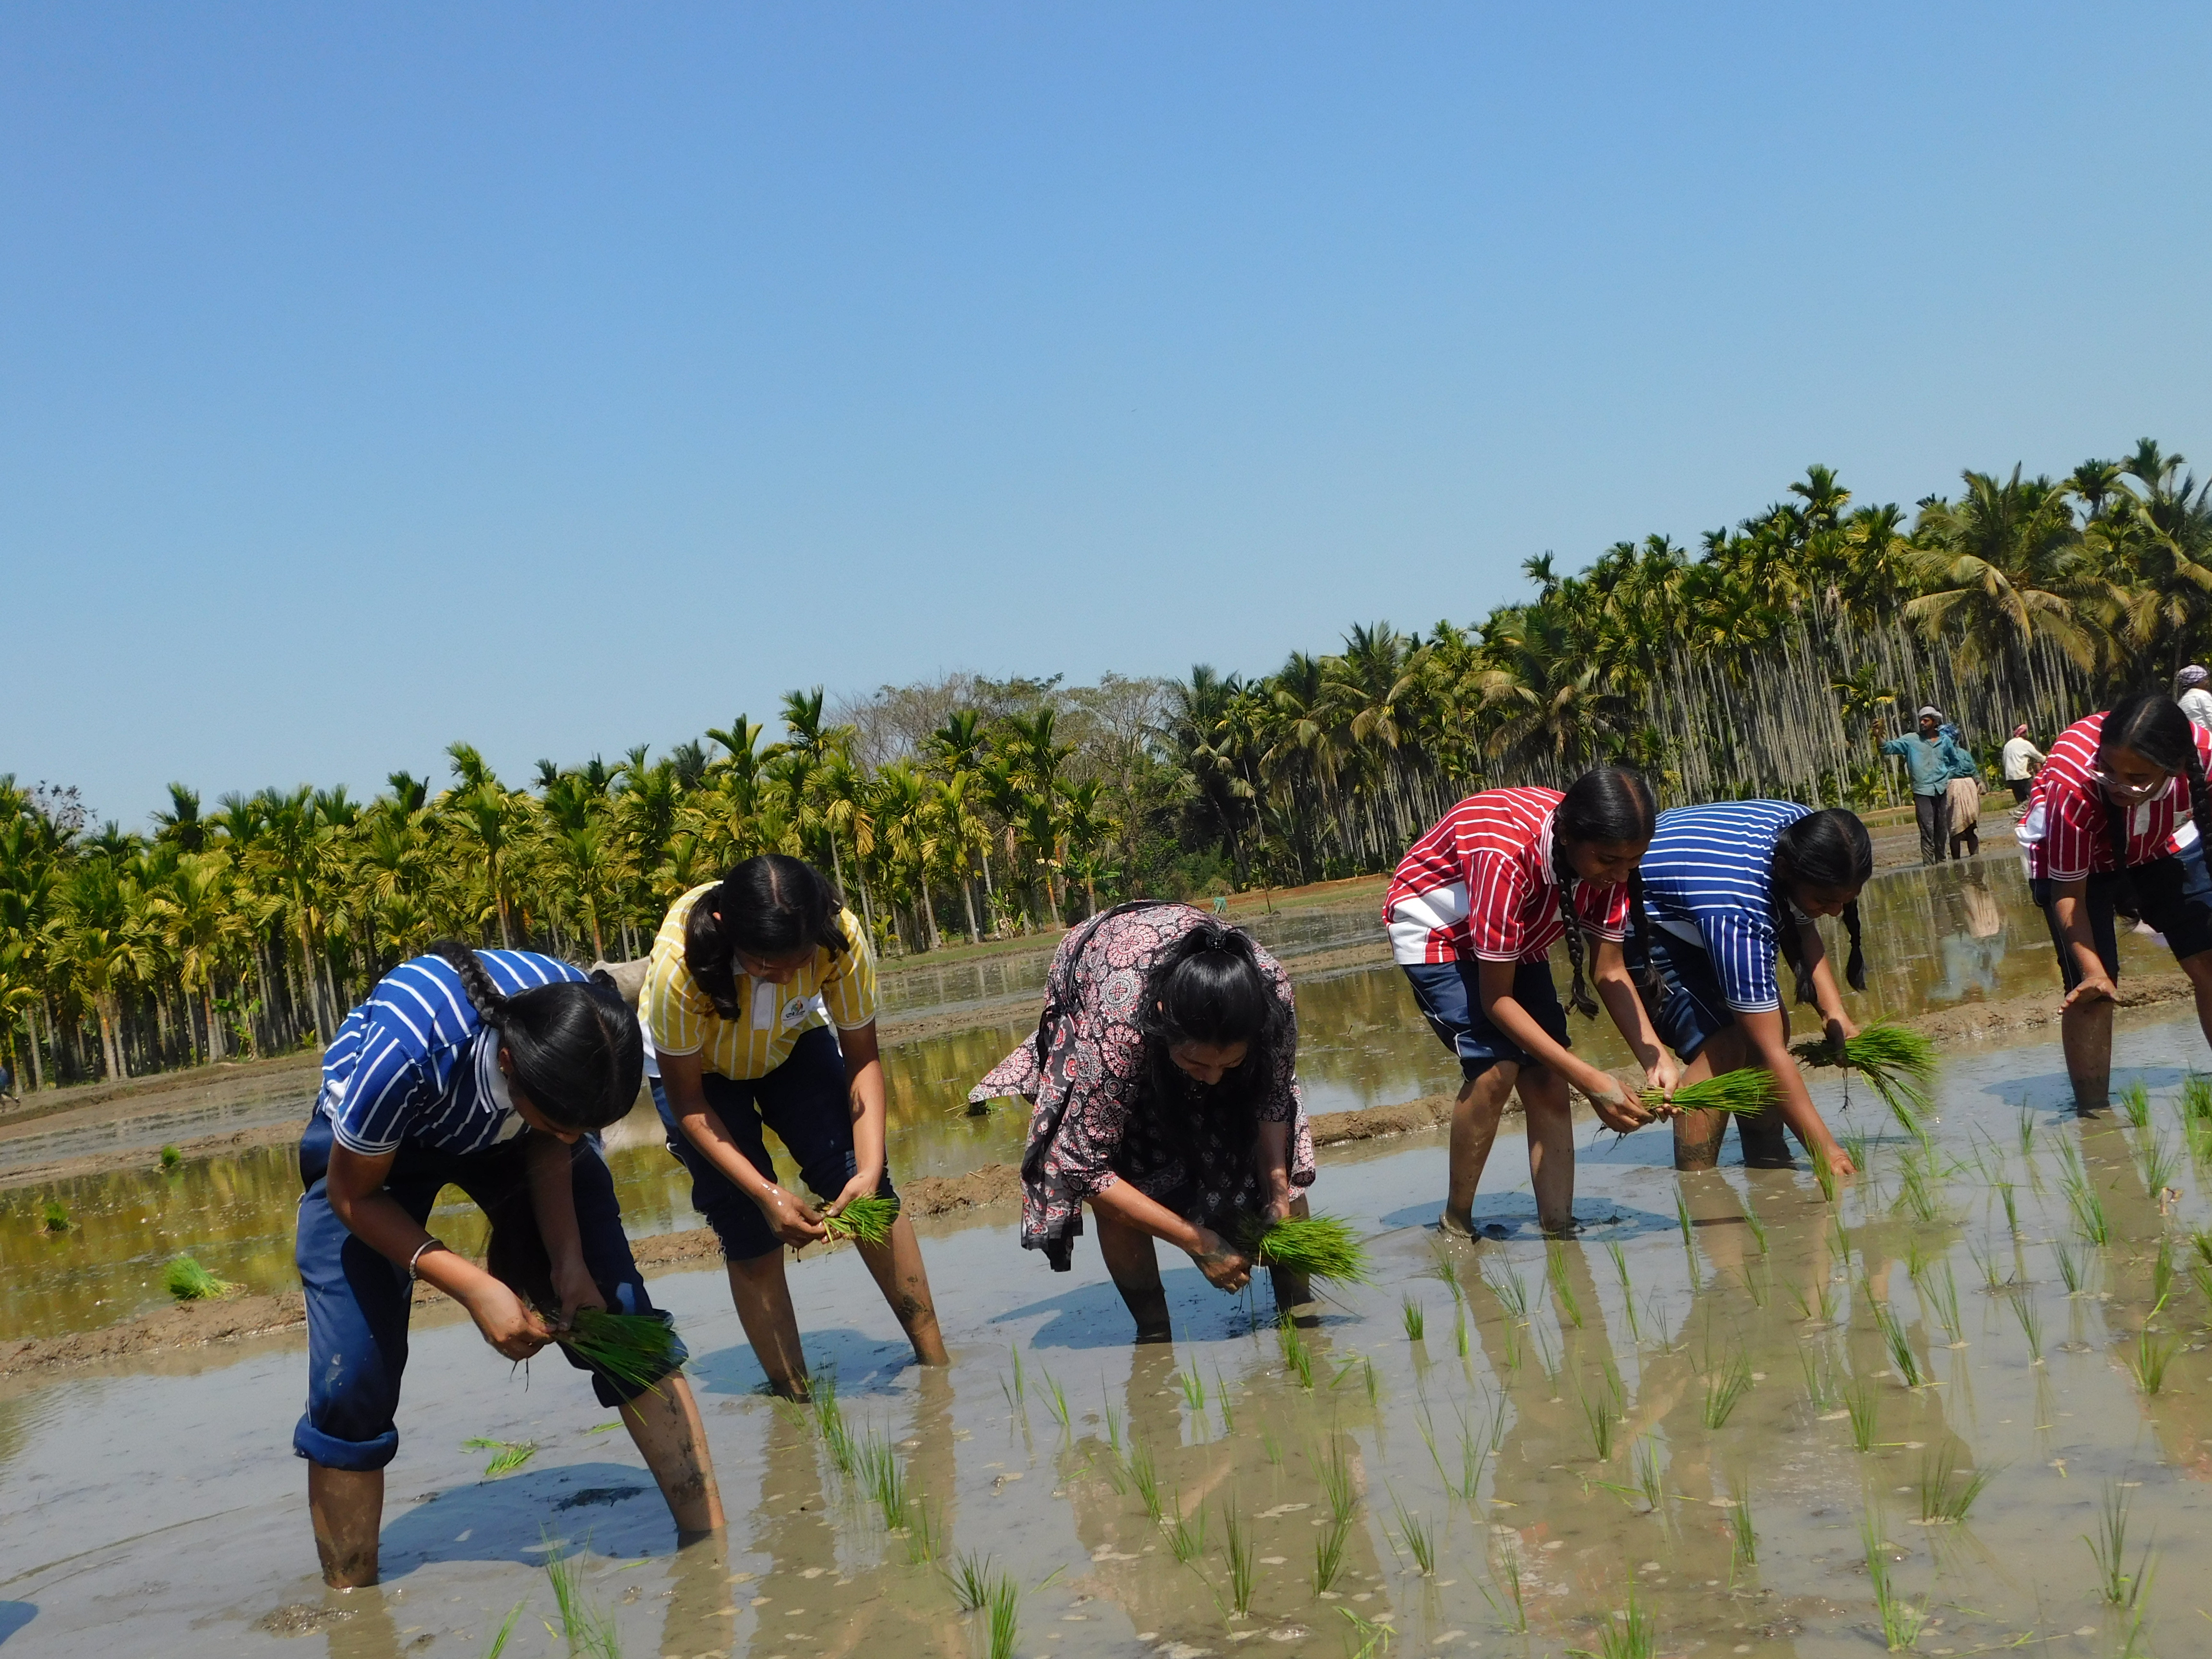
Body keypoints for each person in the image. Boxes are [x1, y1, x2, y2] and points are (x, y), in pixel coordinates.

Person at [293, 942, 722, 1588]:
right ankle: (353, 1608)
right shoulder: (408, 1049)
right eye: (567, 1120)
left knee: (621, 1314)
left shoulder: (582, 1027)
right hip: (375, 1157)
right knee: (352, 1375)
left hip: (525, 1128)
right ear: (507, 1062)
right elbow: (354, 1196)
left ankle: (710, 1555)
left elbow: (556, 1143)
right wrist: (475, 1288)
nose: (582, 1137)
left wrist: (570, 1264)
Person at [644, 854, 948, 1398]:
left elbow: (862, 1061)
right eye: (764, 964)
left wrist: (871, 1170)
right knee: (748, 1227)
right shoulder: (680, 965)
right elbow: (689, 1103)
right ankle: (795, 1396)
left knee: (867, 1190)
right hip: (702, 1075)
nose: (784, 976)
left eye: (797, 961)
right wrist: (765, 1193)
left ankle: (935, 1362)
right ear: (725, 929)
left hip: (791, 1042)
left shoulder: (839, 932)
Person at [969, 903, 1315, 1341]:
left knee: (1276, 1177)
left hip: (1164, 972)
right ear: (1161, 1016)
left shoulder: (1272, 997)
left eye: (1229, 1064)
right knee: (1122, 1170)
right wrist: (1198, 1241)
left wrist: (1278, 1194)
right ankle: (1154, 1334)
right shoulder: (1119, 1026)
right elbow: (1086, 1169)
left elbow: (1271, 1100)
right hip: (1100, 978)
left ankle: (1302, 1316)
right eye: (1196, 1062)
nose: (1211, 1079)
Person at [1384, 766, 1679, 1237]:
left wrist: (1655, 1056)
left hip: (1518, 929)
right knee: (1496, 1068)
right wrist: (1592, 1082)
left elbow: (1610, 970)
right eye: (1609, 861)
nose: (1622, 875)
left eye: (1632, 863)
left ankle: (1560, 1229)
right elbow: (1497, 999)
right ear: (1566, 837)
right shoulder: (1504, 853)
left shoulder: (1606, 863)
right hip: (1440, 928)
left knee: (1545, 1076)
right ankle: (1457, 1221)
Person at [1630, 802, 1870, 1178]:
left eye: (1846, 900)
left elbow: (1802, 923)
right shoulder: (1739, 905)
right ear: (1786, 872)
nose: (1837, 912)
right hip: (1641, 914)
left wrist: (1833, 1012)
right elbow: (1768, 1050)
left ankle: (1768, 1160)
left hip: (1695, 889)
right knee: (1727, 1044)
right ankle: (1699, 1182)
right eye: (1826, 901)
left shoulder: (1811, 836)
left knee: (1771, 1029)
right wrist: (1828, 1151)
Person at [2020, 694, 2212, 1112]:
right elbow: (2069, 895)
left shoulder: (2204, 756)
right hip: (2075, 863)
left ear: (2175, 768)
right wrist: (2094, 974)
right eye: (2108, 770)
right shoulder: (2075, 783)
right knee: (2092, 993)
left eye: (2137, 777)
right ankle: (2094, 1115)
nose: (2120, 785)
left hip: (2161, 843)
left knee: (2208, 958)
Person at [1880, 706, 1974, 865]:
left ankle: (1941, 862)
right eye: (1921, 720)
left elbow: (1954, 761)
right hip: (1923, 791)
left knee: (1941, 828)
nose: (1922, 723)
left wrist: (1946, 775)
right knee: (1927, 829)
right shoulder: (1911, 740)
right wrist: (1878, 737)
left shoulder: (1944, 741)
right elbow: (1887, 748)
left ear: (1935, 722)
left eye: (1926, 720)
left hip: (1941, 789)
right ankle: (1929, 865)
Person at [2001, 724, 2045, 806]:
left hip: (2010, 778)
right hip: (2022, 776)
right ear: (2023, 733)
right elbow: (2039, 757)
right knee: (2036, 796)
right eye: (2026, 732)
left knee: (2021, 802)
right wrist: (2047, 760)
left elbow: (2004, 762)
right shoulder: (2025, 744)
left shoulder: (2008, 745)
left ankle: (2021, 815)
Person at [2176, 665, 2212, 731]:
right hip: (2206, 737)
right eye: (2205, 679)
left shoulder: (2182, 701)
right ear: (2197, 683)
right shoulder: (2202, 695)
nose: (2208, 682)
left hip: (2192, 737)